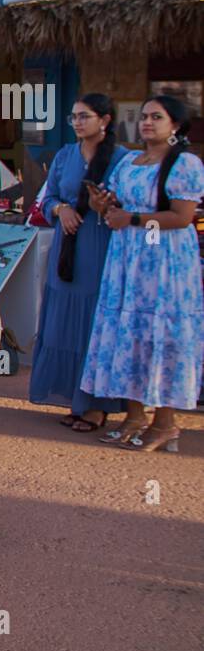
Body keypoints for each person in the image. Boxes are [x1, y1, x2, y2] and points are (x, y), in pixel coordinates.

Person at [83, 95, 204, 452]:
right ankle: (134, 416)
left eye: (157, 117)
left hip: (165, 261)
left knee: (162, 335)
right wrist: (101, 204)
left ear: (175, 125)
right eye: (145, 117)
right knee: (130, 333)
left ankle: (165, 423)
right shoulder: (129, 162)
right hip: (128, 259)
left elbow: (182, 217)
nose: (147, 122)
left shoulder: (185, 163)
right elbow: (110, 205)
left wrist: (131, 219)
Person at [29, 94, 129, 431]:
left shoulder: (121, 160)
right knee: (61, 321)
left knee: (93, 323)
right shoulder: (64, 156)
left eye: (84, 116)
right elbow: (48, 198)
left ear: (105, 120)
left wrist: (107, 207)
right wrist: (61, 210)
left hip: (100, 246)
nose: (77, 122)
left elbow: (129, 205)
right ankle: (74, 398)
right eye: (73, 116)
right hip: (66, 247)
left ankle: (95, 406)